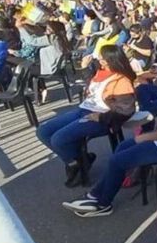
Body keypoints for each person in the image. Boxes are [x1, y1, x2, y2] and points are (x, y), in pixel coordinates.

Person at [62, 54, 157, 216]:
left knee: (118, 160)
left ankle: (102, 203)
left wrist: (144, 136)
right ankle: (96, 194)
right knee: (123, 147)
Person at [36, 45, 137, 185]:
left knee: (58, 139)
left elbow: (126, 110)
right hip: (84, 109)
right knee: (43, 131)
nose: (98, 59)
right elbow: (92, 88)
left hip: (102, 117)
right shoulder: (101, 72)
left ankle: (76, 162)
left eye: (101, 57)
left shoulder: (121, 81)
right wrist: (84, 68)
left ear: (108, 60)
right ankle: (76, 160)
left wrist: (101, 117)